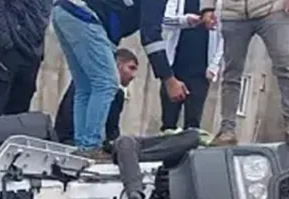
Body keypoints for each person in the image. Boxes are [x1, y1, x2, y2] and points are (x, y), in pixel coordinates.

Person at [51, 0, 188, 160]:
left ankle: (82, 145)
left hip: (65, 10)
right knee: (106, 83)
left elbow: (147, 17)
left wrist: (184, 20)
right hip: (84, 15)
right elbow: (150, 35)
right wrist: (169, 79)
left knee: (85, 86)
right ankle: (90, 146)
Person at [198, 0, 289, 147]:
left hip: (272, 10)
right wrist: (207, 8)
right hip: (233, 13)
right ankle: (227, 130)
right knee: (231, 73)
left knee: (286, 67)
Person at [0, 0, 54, 171]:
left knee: (19, 114)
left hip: (31, 54)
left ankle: (10, 165)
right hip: (8, 50)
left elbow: (44, 13)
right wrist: (3, 40)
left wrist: (38, 50)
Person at [161, 0, 224, 132]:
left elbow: (223, 37)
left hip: (200, 73)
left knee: (193, 123)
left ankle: (190, 143)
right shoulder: (178, 2)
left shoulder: (218, 5)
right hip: (174, 69)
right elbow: (164, 19)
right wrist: (185, 20)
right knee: (168, 121)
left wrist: (214, 66)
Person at [54, 48, 140, 145]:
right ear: (117, 65)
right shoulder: (106, 90)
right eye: (131, 68)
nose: (133, 75)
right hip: (74, 142)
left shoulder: (83, 81)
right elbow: (112, 132)